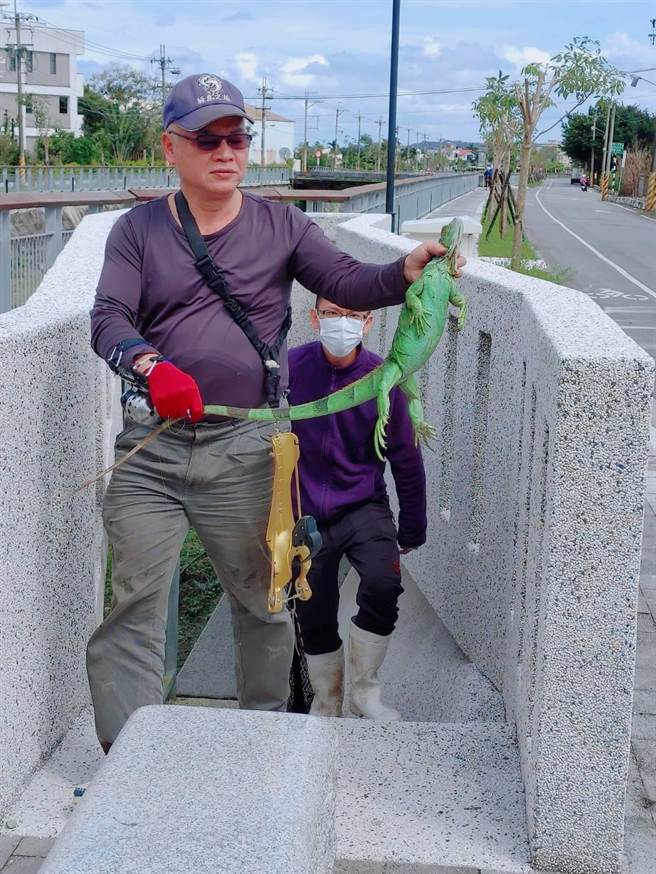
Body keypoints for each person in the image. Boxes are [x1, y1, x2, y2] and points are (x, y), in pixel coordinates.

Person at [87, 73, 464, 752]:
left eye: (237, 138)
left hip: (245, 448)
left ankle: (259, 750)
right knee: (134, 604)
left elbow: (345, 279)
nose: (225, 151)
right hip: (153, 446)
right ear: (170, 147)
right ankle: (130, 756)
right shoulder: (136, 231)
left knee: (262, 603)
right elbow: (108, 317)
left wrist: (402, 272)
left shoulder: (281, 225)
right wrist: (150, 366)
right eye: (207, 139)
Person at [289, 297, 427, 720]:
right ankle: (327, 700)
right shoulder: (291, 369)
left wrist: (413, 526)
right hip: (303, 512)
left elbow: (406, 457)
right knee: (313, 607)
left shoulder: (384, 378)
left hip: (363, 505)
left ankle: (365, 692)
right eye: (332, 313)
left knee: (384, 584)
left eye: (352, 316)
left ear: (367, 323)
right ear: (315, 318)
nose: (342, 323)